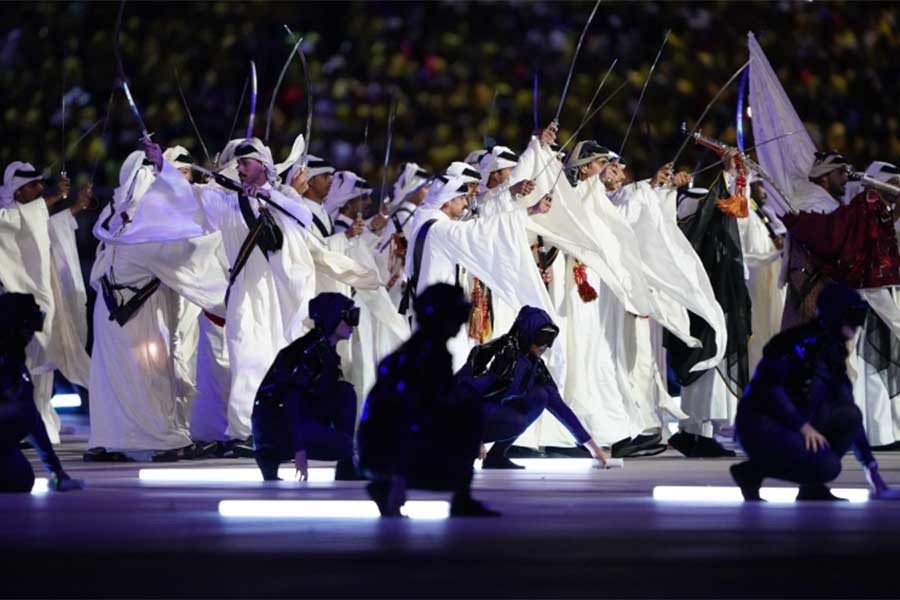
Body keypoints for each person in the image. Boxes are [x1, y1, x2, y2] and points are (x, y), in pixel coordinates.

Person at [731, 283, 893, 501]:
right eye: (853, 315)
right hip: (761, 425)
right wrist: (803, 427)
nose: (857, 325)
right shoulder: (798, 342)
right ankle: (752, 472)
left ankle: (811, 486)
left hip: (796, 420)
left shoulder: (833, 350)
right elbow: (771, 390)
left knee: (849, 415)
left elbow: (850, 412)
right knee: (827, 466)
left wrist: (870, 467)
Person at [358, 283, 498, 517]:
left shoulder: (422, 350)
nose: (461, 322)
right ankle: (397, 484)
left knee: (466, 403)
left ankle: (392, 482)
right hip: (387, 456)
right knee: (468, 409)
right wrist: (398, 477)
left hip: (381, 454)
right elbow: (405, 414)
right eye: (458, 314)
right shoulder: (423, 357)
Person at [458, 305, 610, 469]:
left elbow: (559, 406)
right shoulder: (502, 356)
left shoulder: (533, 363)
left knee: (540, 396)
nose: (544, 346)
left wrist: (593, 448)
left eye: (549, 339)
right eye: (541, 338)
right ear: (526, 335)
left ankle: (496, 456)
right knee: (514, 420)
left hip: (484, 413)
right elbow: (463, 394)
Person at [252, 292, 360, 481]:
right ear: (334, 317)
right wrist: (299, 449)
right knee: (345, 447)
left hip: (289, 420)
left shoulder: (323, 348)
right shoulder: (310, 352)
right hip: (276, 426)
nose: (353, 324)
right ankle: (272, 453)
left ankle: (346, 465)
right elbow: (290, 398)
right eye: (350, 317)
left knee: (345, 392)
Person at [0, 292, 83, 493]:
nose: (30, 336)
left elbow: (31, 418)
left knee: (20, 479)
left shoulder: (14, 363)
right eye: (27, 328)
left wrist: (56, 471)